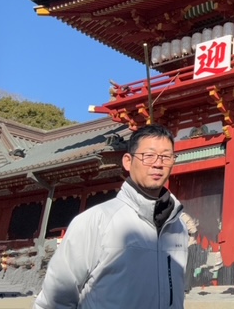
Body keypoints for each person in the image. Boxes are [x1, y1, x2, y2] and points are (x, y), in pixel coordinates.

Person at [34, 124, 188, 308]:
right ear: (128, 161)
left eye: (166, 157)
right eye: (149, 155)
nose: (158, 163)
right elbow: (55, 299)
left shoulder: (178, 226)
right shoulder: (97, 220)